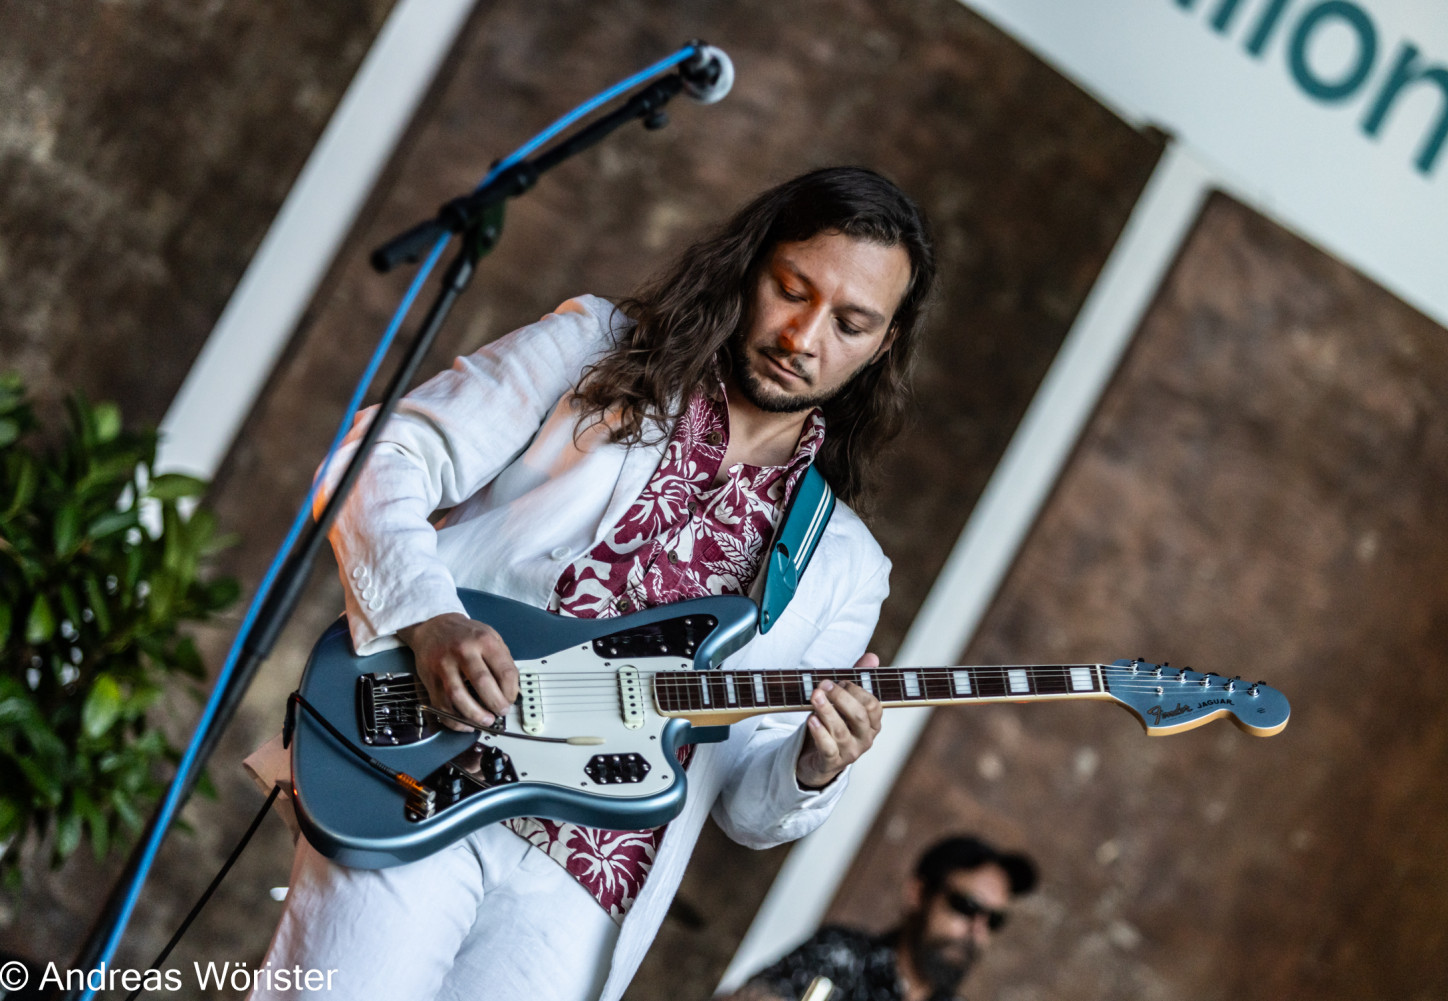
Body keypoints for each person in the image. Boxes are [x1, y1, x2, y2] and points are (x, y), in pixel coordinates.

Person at [244, 166, 937, 1001]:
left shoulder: (844, 564)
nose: (804, 335)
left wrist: (817, 764)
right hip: (437, 767)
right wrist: (428, 617)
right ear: (752, 266)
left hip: (585, 890)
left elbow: (749, 808)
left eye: (851, 322)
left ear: (884, 343)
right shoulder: (598, 347)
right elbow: (381, 456)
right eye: (792, 290)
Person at [724, 836, 1038, 1001]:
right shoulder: (843, 956)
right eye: (966, 906)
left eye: (993, 921)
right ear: (918, 894)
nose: (977, 931)